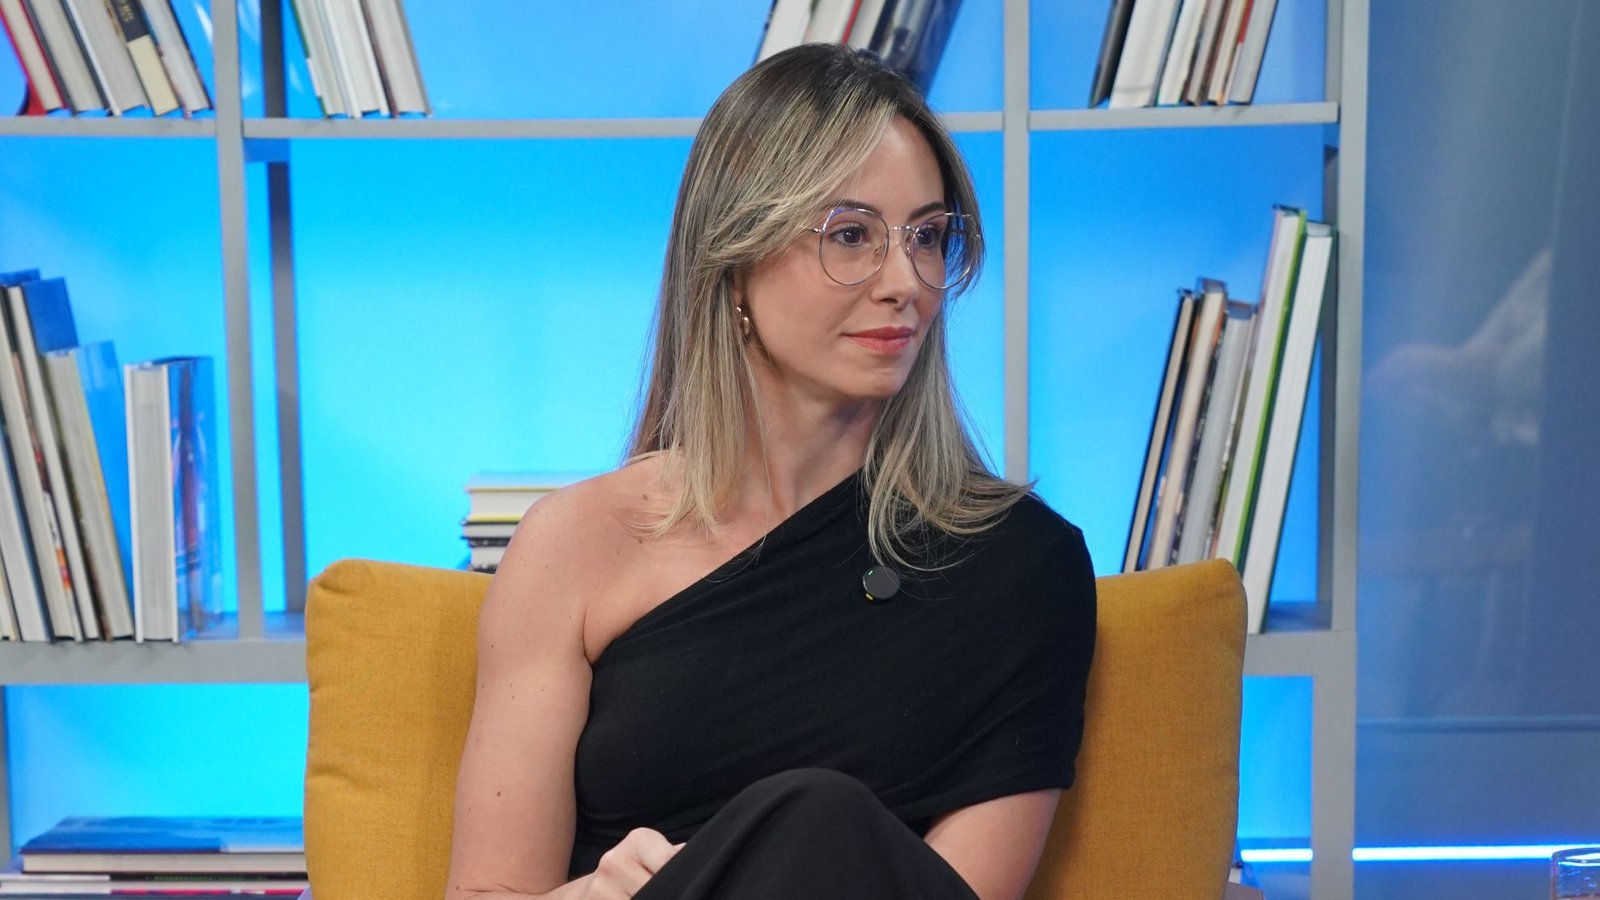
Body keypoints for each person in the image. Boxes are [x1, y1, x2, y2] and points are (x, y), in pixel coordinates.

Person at [443, 43, 1096, 900]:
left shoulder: (1022, 565)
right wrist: (597, 894)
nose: (904, 282)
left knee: (819, 818)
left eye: (928, 237)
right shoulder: (574, 545)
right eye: (852, 235)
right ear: (735, 259)